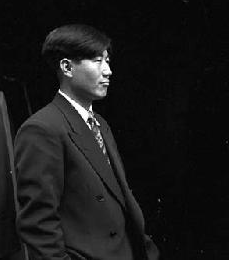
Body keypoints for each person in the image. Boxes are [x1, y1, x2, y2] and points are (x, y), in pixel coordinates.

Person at [14, 24, 160, 260]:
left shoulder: (100, 123)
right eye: (96, 60)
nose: (108, 71)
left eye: (108, 61)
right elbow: (38, 225)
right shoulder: (42, 129)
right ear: (67, 67)